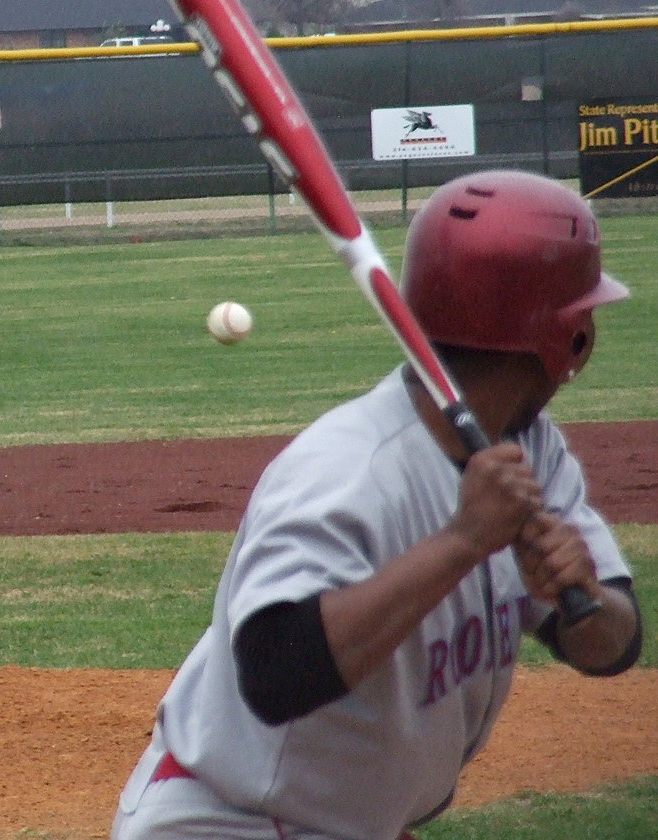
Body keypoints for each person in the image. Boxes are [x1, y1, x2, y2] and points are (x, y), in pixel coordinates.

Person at [112, 170, 644, 840]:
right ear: (568, 337)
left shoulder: (532, 452)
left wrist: (584, 593)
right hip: (232, 822)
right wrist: (461, 542)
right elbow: (275, 674)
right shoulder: (345, 469)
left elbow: (614, 647)